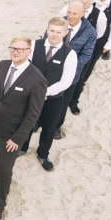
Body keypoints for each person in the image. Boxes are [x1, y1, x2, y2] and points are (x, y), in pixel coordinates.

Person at [0, 37, 47, 220]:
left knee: (5, 169)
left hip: (12, 134)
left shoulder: (37, 79)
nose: (16, 52)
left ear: (29, 51)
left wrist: (18, 138)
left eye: (20, 49)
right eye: (13, 48)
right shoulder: (2, 66)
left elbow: (33, 114)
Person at [24, 18, 78, 170]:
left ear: (65, 33)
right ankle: (22, 148)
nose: (54, 34)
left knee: (49, 128)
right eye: (52, 30)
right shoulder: (34, 45)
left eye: (58, 32)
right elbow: (26, 67)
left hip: (54, 99)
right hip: (31, 95)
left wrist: (45, 92)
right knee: (27, 123)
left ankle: (42, 154)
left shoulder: (70, 54)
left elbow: (66, 81)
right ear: (47, 30)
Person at [68, 0, 111, 115]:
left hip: (89, 48)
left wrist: (107, 44)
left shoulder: (100, 16)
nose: (84, 1)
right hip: (70, 46)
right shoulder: (70, 8)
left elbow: (101, 33)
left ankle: (74, 100)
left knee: (81, 76)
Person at [52, 0, 98, 137]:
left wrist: (67, 65)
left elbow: (86, 55)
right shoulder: (59, 23)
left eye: (74, 14)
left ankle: (56, 128)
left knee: (62, 103)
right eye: (69, 12)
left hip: (70, 75)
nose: (70, 16)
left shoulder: (90, 32)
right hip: (51, 71)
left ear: (83, 14)